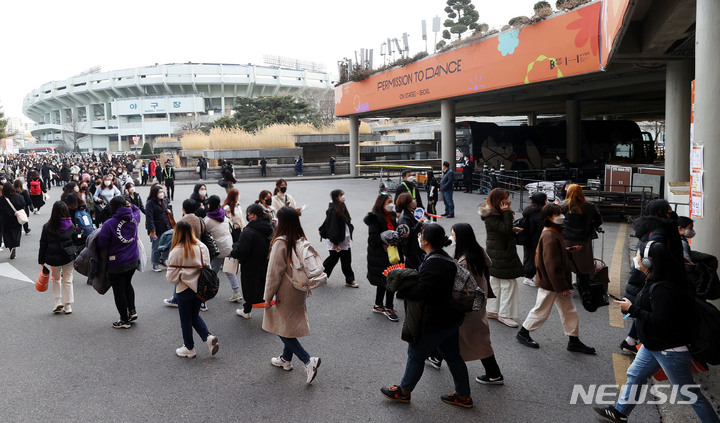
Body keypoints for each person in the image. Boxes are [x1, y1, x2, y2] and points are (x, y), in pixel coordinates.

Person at [594, 241, 720, 423]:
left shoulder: (663, 287)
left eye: (638, 256)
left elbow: (661, 321)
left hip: (669, 350)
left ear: (648, 262)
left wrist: (633, 309)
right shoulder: (656, 278)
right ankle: (620, 413)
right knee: (635, 375)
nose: (636, 259)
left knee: (689, 393)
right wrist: (631, 306)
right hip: (652, 344)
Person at [381, 223, 472, 408]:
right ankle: (463, 396)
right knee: (453, 356)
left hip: (436, 320)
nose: (419, 237)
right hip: (451, 318)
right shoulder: (442, 257)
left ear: (425, 241)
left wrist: (402, 286)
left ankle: (404, 392)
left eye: (421, 235)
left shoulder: (434, 264)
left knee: (415, 354)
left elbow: (421, 293)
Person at [516, 203, 596, 354]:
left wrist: (569, 250)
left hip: (556, 282)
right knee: (541, 310)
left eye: (560, 212)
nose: (561, 216)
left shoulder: (553, 231)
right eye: (557, 214)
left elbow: (554, 254)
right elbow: (552, 264)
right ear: (549, 218)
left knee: (569, 310)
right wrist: (562, 287)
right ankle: (523, 333)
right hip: (552, 282)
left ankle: (574, 340)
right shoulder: (550, 235)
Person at [263, 206, 321, 384]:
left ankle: (307, 360)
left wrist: (267, 297)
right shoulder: (299, 238)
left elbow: (274, 273)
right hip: (299, 287)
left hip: (285, 290)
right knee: (287, 324)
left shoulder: (281, 242)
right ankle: (285, 359)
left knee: (281, 327)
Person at [166, 221, 219, 358]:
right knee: (194, 315)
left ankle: (189, 348)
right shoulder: (201, 246)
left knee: (185, 319)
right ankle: (208, 338)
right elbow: (207, 265)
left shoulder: (176, 251)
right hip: (200, 288)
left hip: (184, 289)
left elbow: (171, 278)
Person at [478, 188, 525, 328]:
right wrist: (506, 213)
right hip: (502, 252)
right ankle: (505, 314)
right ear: (499, 200)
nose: (508, 200)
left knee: (496, 281)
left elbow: (501, 229)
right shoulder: (494, 214)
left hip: (497, 251)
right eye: (506, 198)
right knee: (508, 283)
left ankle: (492, 310)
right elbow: (503, 229)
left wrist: (511, 228)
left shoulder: (491, 212)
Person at [96, 196, 141, 329]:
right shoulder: (134, 217)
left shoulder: (109, 223)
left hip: (116, 263)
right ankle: (132, 311)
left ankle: (124, 319)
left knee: (119, 290)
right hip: (132, 259)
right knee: (128, 284)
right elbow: (137, 208)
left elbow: (101, 242)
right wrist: (131, 205)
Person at [38, 201, 83, 315]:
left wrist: (41, 260)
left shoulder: (48, 226)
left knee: (55, 278)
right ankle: (68, 306)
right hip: (68, 256)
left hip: (53, 258)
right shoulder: (71, 225)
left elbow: (43, 244)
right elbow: (76, 242)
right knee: (68, 280)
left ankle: (57, 301)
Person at [231, 203, 273, 319]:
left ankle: (247, 310)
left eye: (248, 214)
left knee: (249, 288)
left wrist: (234, 248)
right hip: (265, 263)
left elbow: (241, 251)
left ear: (253, 215)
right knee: (264, 287)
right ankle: (269, 313)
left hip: (250, 265)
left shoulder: (249, 231)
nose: (247, 216)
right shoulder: (269, 227)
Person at [364, 193, 401, 322]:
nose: (391, 204)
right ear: (381, 204)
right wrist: (386, 239)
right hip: (380, 255)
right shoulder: (375, 218)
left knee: (386, 280)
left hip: (393, 254)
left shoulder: (391, 216)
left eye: (392, 201)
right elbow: (373, 239)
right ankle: (388, 308)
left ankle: (378, 305)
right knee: (388, 280)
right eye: (388, 202)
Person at [204, 195, 242, 303]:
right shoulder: (223, 215)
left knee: (212, 272)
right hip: (228, 246)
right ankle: (236, 292)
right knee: (229, 271)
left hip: (219, 249)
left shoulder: (208, 220)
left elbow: (204, 232)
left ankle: (205, 293)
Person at [561, 184, 603, 277]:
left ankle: (567, 280)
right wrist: (597, 227)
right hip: (584, 237)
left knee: (566, 259)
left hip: (567, 237)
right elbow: (597, 220)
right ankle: (580, 279)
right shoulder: (590, 206)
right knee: (583, 261)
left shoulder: (563, 205)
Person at [319, 189, 357, 288]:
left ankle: (349, 280)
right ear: (336, 197)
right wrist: (335, 242)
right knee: (333, 259)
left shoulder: (341, 205)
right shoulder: (333, 210)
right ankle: (321, 276)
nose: (343, 196)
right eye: (341, 195)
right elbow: (333, 227)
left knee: (346, 260)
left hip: (343, 239)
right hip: (337, 240)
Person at [520, 192, 547, 287]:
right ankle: (529, 277)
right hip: (535, 238)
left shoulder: (529, 209)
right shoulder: (538, 212)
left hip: (528, 236)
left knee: (529, 256)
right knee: (534, 257)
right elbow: (540, 227)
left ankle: (528, 276)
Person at [146, 184, 173, 272]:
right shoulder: (150, 203)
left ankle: (162, 259)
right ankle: (155, 263)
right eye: (159, 192)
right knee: (156, 246)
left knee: (169, 243)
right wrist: (152, 230)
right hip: (156, 228)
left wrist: (169, 211)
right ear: (155, 193)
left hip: (167, 226)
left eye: (162, 192)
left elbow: (169, 211)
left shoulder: (164, 201)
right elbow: (149, 218)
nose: (161, 194)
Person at [396, 192, 425, 270]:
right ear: (407, 203)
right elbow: (408, 234)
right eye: (412, 199)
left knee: (409, 268)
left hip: (415, 247)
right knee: (419, 268)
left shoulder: (411, 212)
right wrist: (419, 224)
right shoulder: (404, 218)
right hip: (410, 249)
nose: (414, 200)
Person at [0, 182, 26, 259]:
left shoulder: (2, 199)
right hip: (16, 218)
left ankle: (11, 248)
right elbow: (23, 205)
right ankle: (15, 247)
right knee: (16, 233)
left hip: (5, 219)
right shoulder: (19, 197)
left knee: (7, 235)